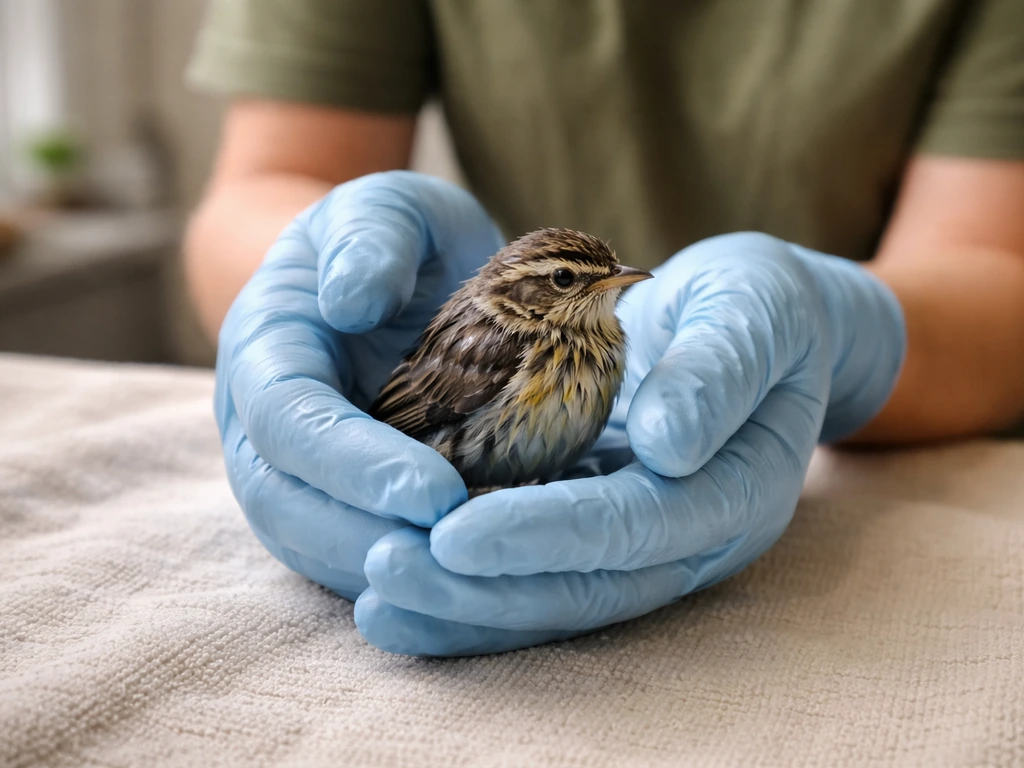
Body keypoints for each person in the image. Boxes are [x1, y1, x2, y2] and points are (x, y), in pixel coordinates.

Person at [183, 1, 1024, 657]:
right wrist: (307, 290)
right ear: (526, 298)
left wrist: (845, 332)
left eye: (607, 278)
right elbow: (271, 175)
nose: (617, 288)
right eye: (567, 285)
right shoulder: (503, 346)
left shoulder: (603, 341)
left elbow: (996, 267)